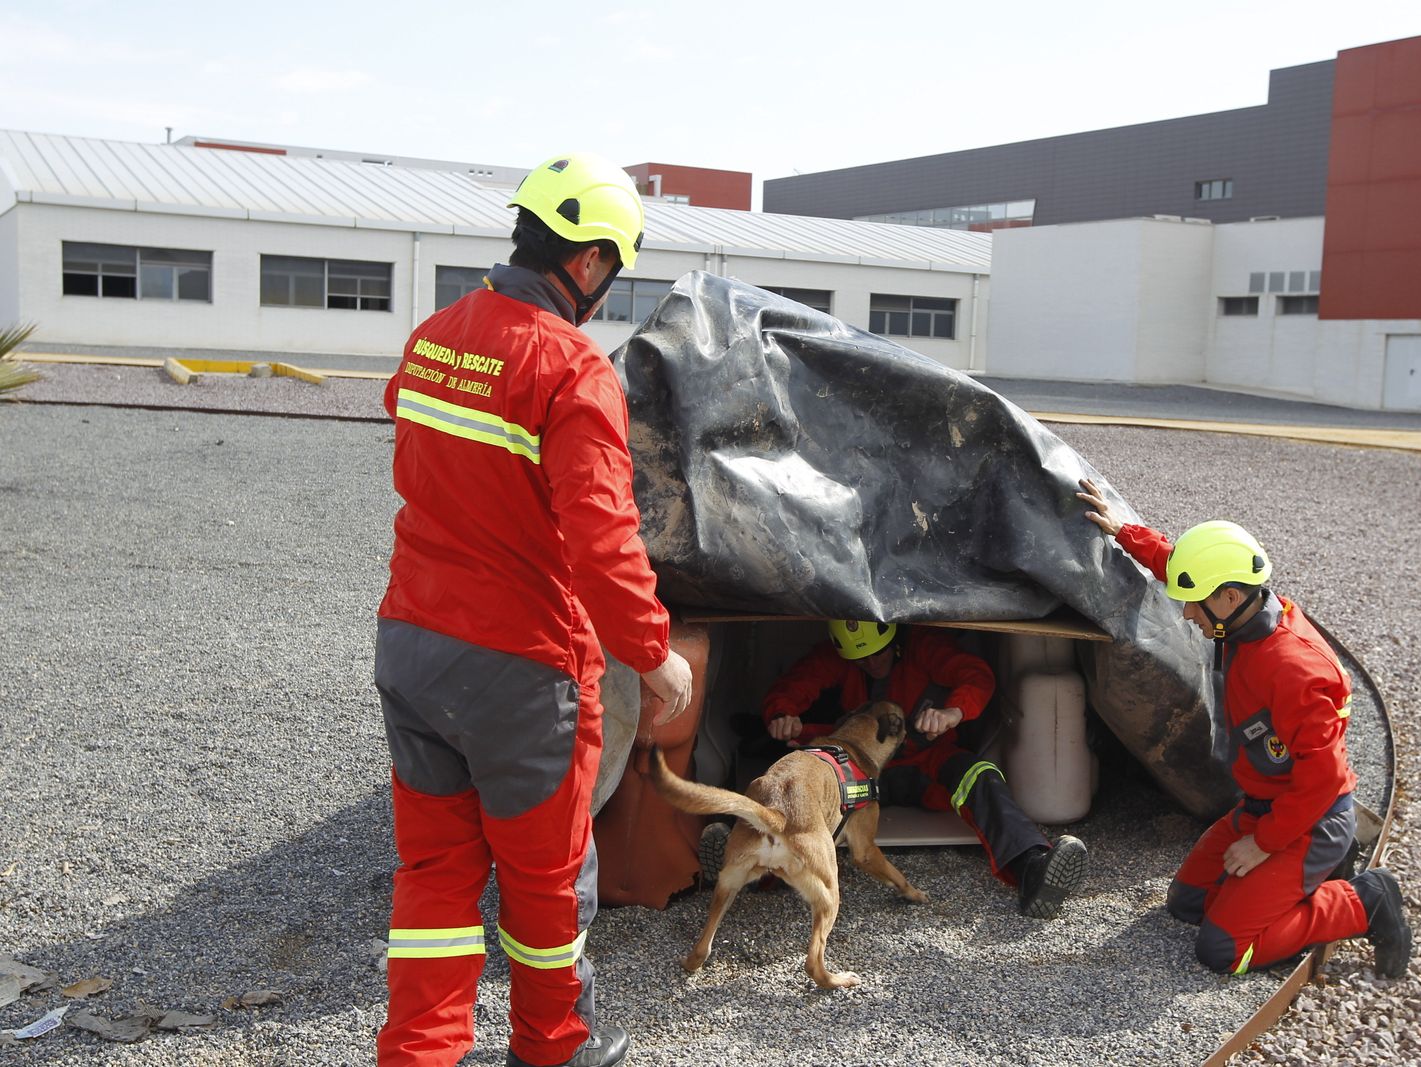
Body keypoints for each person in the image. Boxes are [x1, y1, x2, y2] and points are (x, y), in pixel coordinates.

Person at [374, 152, 693, 1067]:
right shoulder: (571, 368)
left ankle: (417, 1053)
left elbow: (420, 441)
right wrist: (654, 650)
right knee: (547, 882)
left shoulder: (435, 333)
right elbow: (603, 540)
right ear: (591, 261)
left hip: (411, 644)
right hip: (520, 667)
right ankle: (556, 1049)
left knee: (434, 874)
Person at [1075, 478, 1411, 978]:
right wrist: (1125, 531)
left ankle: (1364, 901)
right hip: (1260, 806)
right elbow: (1178, 563)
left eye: (1193, 603)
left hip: (1308, 821)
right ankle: (1285, 889)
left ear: (1230, 598)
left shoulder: (1296, 670)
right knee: (1188, 904)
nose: (1186, 613)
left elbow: (1320, 781)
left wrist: (1264, 844)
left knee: (1223, 950)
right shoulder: (1239, 610)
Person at [704, 619, 1089, 919]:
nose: (871, 664)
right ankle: (747, 863)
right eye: (862, 659)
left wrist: (954, 712)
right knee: (804, 804)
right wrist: (780, 716)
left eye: (879, 654)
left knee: (979, 776)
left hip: (925, 763)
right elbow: (791, 687)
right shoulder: (837, 655)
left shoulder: (924, 646)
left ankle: (1031, 867)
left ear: (896, 639)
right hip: (857, 775)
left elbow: (975, 675)